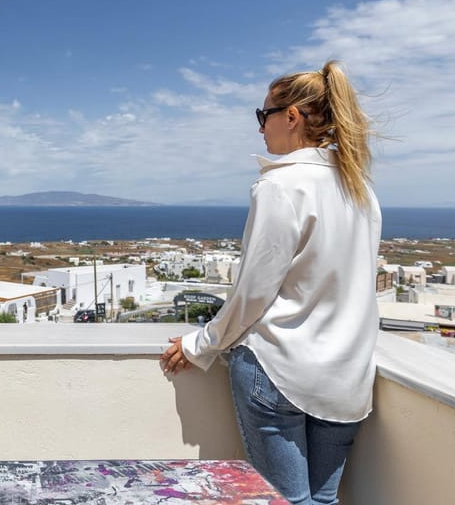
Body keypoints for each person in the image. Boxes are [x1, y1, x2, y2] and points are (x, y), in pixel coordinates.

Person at [160, 60, 380, 505]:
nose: (261, 130)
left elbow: (252, 295)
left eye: (264, 117)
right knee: (322, 500)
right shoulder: (360, 189)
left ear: (292, 117)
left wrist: (199, 344)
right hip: (347, 378)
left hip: (280, 370)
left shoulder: (281, 187)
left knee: (285, 501)